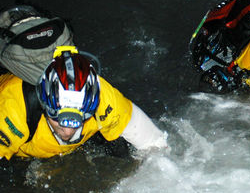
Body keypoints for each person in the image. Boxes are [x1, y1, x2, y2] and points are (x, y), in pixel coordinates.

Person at [0, 46, 167, 160]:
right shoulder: (13, 109)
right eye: (57, 118)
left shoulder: (104, 98)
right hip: (23, 146)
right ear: (44, 103)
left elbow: (156, 146)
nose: (68, 131)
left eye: (79, 119)